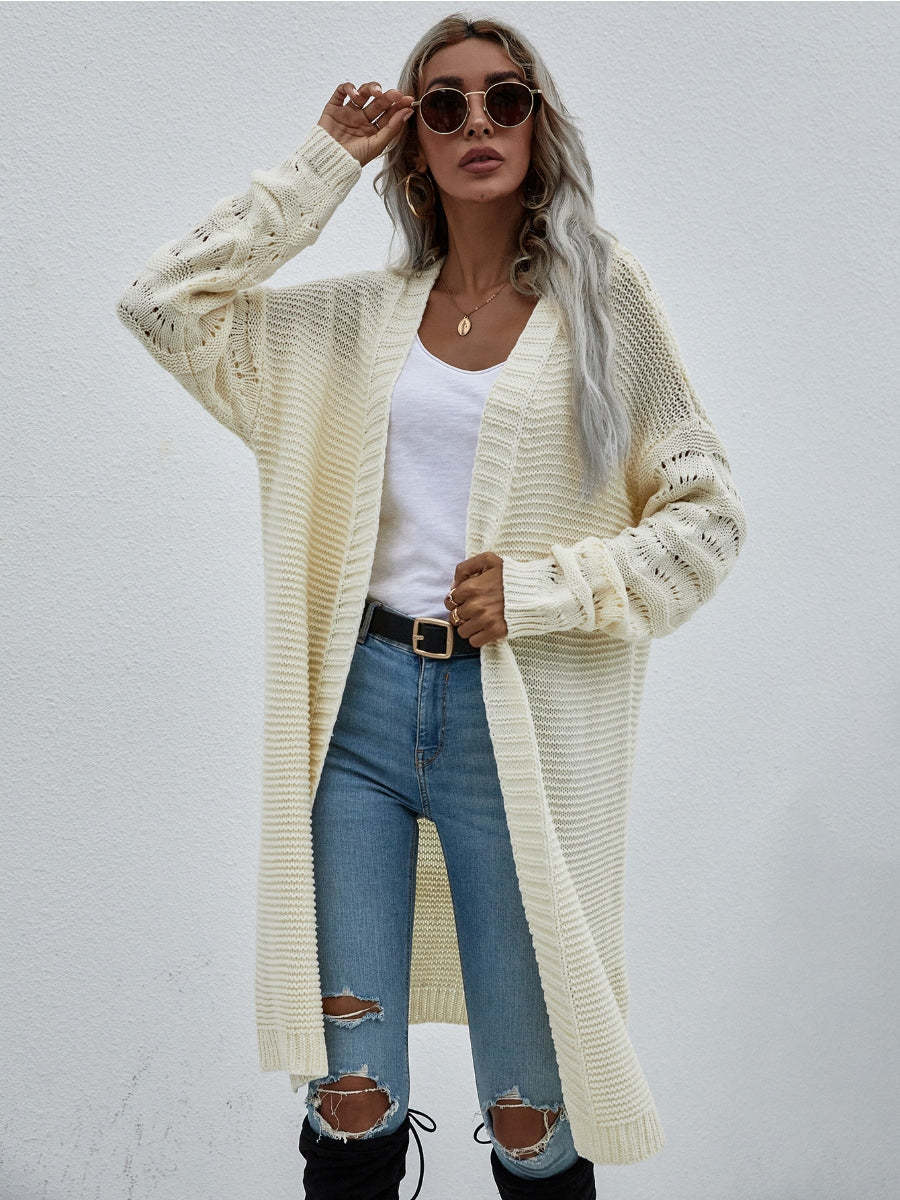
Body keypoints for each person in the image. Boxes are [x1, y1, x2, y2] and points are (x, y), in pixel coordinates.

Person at [115, 13, 747, 1200]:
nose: (477, 124)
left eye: (506, 98)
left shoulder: (604, 302)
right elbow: (161, 304)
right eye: (444, 105)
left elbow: (708, 519)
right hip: (356, 721)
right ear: (414, 145)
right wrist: (321, 165)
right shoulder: (354, 322)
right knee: (350, 1101)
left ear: (540, 124)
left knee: (528, 1111)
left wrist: (546, 590)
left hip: (512, 741)